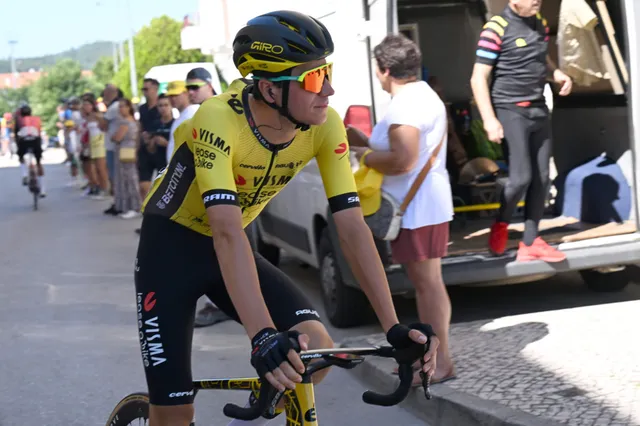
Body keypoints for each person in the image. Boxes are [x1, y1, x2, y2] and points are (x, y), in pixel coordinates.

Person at [135, 10, 439, 426]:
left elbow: (351, 225)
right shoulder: (217, 118)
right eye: (315, 79)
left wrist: (393, 326)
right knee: (173, 411)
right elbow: (224, 229)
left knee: (316, 354)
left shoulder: (325, 125)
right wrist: (261, 337)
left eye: (328, 72)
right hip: (169, 250)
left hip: (231, 247)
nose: (329, 90)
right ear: (269, 89)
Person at [349, 34, 455, 386]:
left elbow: (402, 161)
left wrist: (363, 154)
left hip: (417, 209)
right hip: (424, 205)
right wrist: (365, 141)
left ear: (384, 70)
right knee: (428, 285)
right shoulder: (421, 97)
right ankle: (432, 359)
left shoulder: (407, 105)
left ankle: (438, 363)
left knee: (427, 286)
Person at [470, 0, 573, 262]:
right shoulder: (496, 28)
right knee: (520, 178)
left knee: (542, 177)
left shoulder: (541, 23)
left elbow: (541, 57)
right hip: (510, 109)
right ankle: (501, 224)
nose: (537, 1)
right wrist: (489, 119)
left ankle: (531, 241)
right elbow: (478, 78)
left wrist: (557, 73)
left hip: (538, 108)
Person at [112, 98, 142, 219]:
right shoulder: (135, 122)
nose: (121, 109)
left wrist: (113, 136)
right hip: (132, 150)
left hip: (124, 151)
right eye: (120, 106)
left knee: (127, 179)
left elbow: (116, 138)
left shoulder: (125, 123)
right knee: (131, 178)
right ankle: (133, 205)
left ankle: (133, 206)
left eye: (123, 106)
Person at [164, 80, 199, 164]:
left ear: (186, 93)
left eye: (176, 95)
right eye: (170, 95)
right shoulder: (180, 116)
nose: (172, 98)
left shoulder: (193, 112)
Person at [14, 104, 46, 197]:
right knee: (39, 163)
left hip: (24, 141)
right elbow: (39, 132)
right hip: (35, 141)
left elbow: (16, 134)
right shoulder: (37, 119)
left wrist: (17, 145)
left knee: (20, 157)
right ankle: (43, 189)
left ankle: (24, 174)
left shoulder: (19, 120)